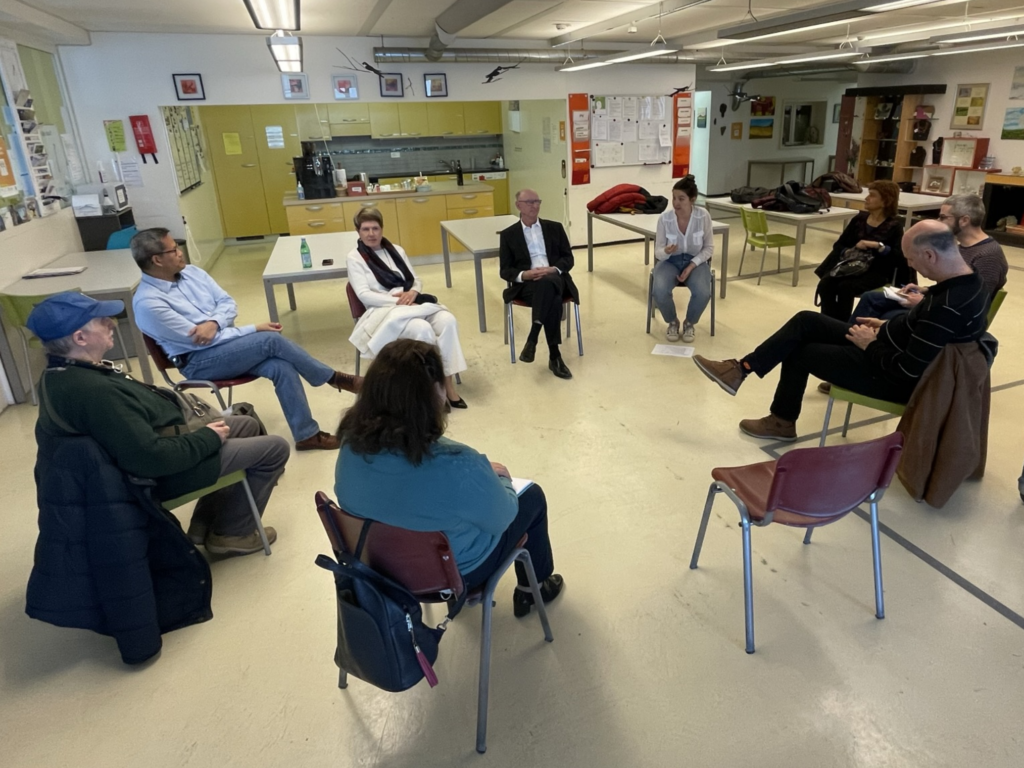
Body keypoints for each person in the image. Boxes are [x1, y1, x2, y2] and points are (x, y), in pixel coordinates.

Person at [27, 292, 290, 555]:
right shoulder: (94, 392)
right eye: (101, 320)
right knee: (275, 448)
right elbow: (149, 457)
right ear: (80, 338)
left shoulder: (64, 374)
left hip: (161, 445)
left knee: (245, 424)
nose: (112, 323)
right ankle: (232, 534)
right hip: (157, 474)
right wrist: (207, 438)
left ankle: (203, 524)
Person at [692, 221, 988, 441]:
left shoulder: (948, 304)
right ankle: (740, 369)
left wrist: (869, 345)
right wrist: (886, 325)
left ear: (931, 255)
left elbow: (908, 371)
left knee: (801, 353)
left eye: (912, 259)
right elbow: (926, 331)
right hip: (889, 344)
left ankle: (781, 421)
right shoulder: (967, 281)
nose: (910, 265)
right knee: (807, 320)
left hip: (894, 377)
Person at [335, 339, 564, 617]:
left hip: (379, 569)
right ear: (435, 395)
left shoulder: (348, 445)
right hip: (456, 572)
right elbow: (502, 517)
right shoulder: (459, 464)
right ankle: (533, 589)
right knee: (532, 497)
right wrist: (497, 479)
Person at [131, 228, 359, 451]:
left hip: (226, 345)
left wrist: (214, 323)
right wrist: (252, 329)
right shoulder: (149, 303)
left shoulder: (193, 273)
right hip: (198, 361)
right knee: (270, 340)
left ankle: (306, 435)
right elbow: (201, 341)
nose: (181, 252)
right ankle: (335, 378)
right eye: (174, 249)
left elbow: (228, 304)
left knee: (281, 365)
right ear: (157, 260)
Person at [346, 207, 467, 409]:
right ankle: (430, 391)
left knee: (448, 321)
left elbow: (415, 280)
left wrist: (413, 293)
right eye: (365, 229)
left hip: (412, 303)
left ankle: (447, 384)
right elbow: (364, 295)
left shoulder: (396, 250)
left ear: (382, 229)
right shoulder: (355, 258)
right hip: (383, 310)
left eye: (375, 228)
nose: (371, 234)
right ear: (358, 231)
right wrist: (399, 301)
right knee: (423, 329)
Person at [852, 193, 1008, 321]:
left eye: (943, 217)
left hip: (947, 317)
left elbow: (973, 304)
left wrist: (923, 303)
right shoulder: (962, 247)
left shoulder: (987, 256)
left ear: (965, 220)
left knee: (884, 314)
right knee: (870, 297)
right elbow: (952, 286)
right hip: (937, 303)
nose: (938, 222)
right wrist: (926, 290)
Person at [499, 188, 580, 380]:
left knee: (549, 282)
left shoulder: (555, 227)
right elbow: (505, 271)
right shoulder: (508, 235)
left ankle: (533, 336)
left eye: (537, 201)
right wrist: (524, 275)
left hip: (556, 278)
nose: (534, 205)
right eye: (529, 202)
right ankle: (554, 356)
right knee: (550, 295)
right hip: (528, 285)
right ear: (518, 206)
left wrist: (553, 269)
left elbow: (568, 259)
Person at [813, 180, 908, 321]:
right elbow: (839, 245)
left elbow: (899, 256)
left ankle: (843, 324)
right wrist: (852, 249)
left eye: (872, 195)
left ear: (886, 201)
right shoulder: (859, 219)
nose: (866, 199)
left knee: (846, 287)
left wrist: (879, 246)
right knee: (826, 283)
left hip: (877, 271)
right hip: (851, 265)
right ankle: (827, 321)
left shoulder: (894, 225)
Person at [652, 175, 714, 343]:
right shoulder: (665, 219)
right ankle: (672, 321)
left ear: (692, 199)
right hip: (670, 261)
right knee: (659, 290)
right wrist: (666, 250)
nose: (676, 203)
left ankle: (689, 323)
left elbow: (708, 248)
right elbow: (658, 253)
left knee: (703, 292)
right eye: (674, 198)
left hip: (696, 262)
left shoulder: (703, 217)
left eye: (681, 199)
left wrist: (692, 265)